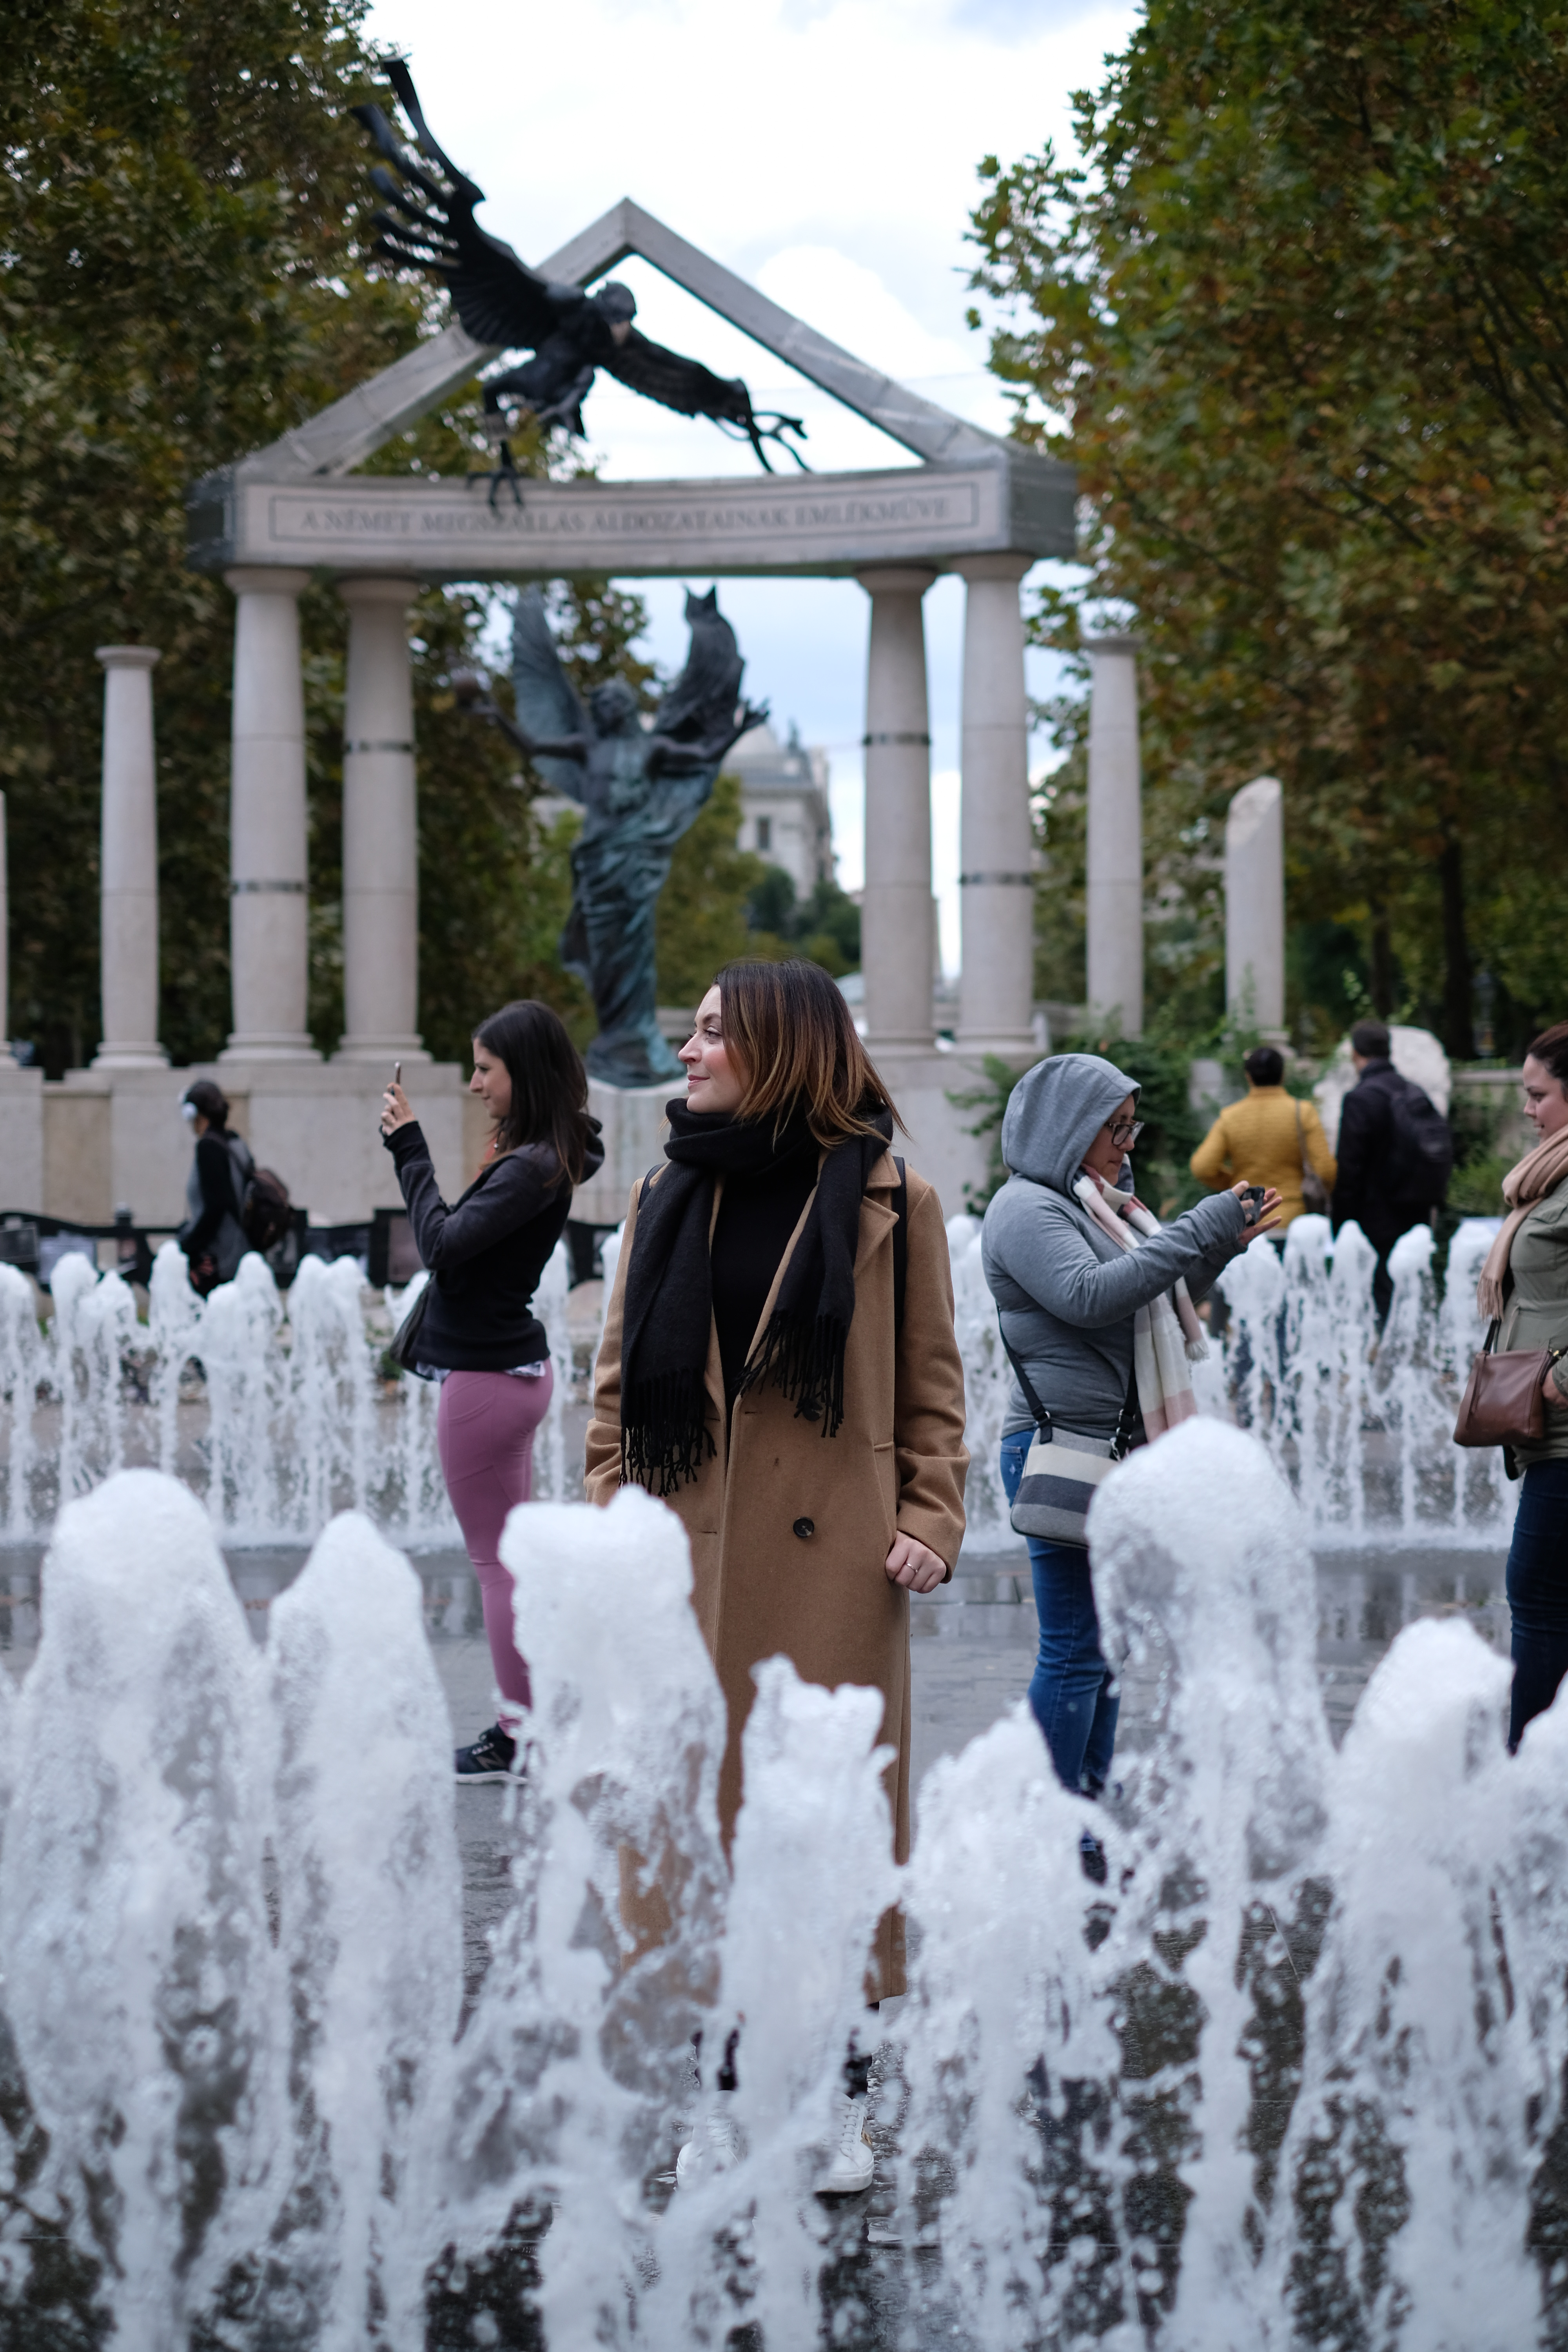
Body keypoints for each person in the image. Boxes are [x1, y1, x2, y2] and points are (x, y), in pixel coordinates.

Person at [585, 958, 968, 2191]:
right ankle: (721, 2096)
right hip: (685, 1566)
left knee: (832, 1829)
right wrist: (615, 1516)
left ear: (780, 1046)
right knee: (703, 1837)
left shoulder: (895, 1200)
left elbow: (932, 1390)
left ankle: (841, 2099)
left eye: (710, 1032)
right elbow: (614, 1396)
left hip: (832, 1568)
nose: (686, 1051)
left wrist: (931, 1516)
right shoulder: (662, 1192)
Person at [982, 1053, 1280, 1818]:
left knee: (1104, 1654)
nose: (1127, 1144)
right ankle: (1051, 1828)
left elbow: (1155, 1302)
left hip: (1116, 1448)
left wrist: (1219, 1247)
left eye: (1130, 1127)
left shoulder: (1098, 1206)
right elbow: (1089, 1298)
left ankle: (1087, 1821)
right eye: (1114, 1128)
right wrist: (1197, 1227)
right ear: (1067, 1126)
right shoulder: (1026, 1209)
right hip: (1062, 1447)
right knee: (1075, 1651)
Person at [381, 1001, 603, 1784]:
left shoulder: (530, 1166)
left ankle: (518, 1739)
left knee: (498, 1565)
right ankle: (533, 1719)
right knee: (512, 1560)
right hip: (508, 1374)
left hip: (485, 1383)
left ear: (524, 1073)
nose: (475, 1084)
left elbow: (440, 1244)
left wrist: (409, 1147)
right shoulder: (542, 1156)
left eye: (485, 1069)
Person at [1474, 1021, 1568, 1753]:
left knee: (1535, 1596)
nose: (1528, 1109)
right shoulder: (1550, 1174)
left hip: (1566, 1431)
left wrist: (1563, 1379)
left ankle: (1527, 1779)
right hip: (1548, 1432)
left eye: (1539, 1095)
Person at [1330, 1018, 1452, 1321]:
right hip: (1416, 1209)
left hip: (1376, 1217)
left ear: (1355, 1054)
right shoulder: (1414, 1092)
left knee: (1384, 1296)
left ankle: (1388, 1349)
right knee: (1412, 1291)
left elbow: (1350, 1168)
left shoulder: (1360, 1098)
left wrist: (1341, 1223)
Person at [1190, 1044, 1336, 1229]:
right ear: (1283, 1075)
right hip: (1293, 1217)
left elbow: (1203, 1168)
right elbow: (1325, 1171)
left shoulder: (1231, 1117)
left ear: (1248, 1077)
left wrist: (1236, 1184)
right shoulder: (1302, 1112)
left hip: (1247, 1217)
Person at [177, 1079, 254, 1296]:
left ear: (195, 1114)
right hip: (242, 1250)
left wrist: (188, 1248)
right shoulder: (235, 1142)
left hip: (218, 1258)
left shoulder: (208, 1148)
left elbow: (216, 1207)